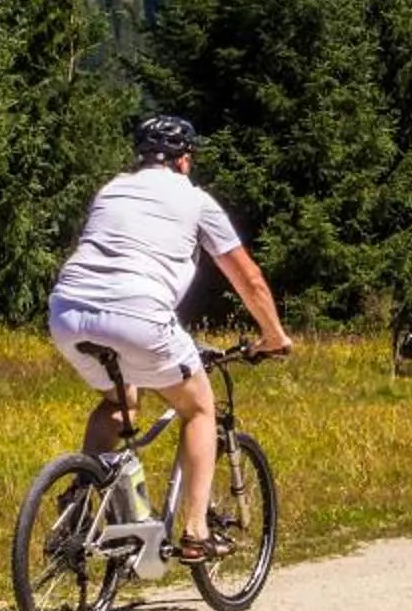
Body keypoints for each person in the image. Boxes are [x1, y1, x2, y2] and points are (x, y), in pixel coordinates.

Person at [46, 115, 294, 559]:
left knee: (118, 402)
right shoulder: (195, 200)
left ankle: (82, 504)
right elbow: (248, 279)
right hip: (138, 313)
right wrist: (273, 335)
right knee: (198, 409)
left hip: (66, 311)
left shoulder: (113, 188)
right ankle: (196, 531)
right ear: (185, 159)